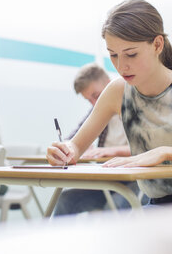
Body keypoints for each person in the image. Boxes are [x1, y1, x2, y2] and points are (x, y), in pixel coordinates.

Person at [47, 0, 172, 206]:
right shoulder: (117, 91)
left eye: (131, 54)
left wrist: (163, 152)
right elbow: (76, 146)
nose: (121, 66)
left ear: (157, 45)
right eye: (113, 55)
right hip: (157, 202)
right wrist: (65, 151)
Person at [54, 63, 140, 215]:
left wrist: (107, 151)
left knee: (114, 208)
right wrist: (66, 148)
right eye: (89, 100)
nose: (95, 104)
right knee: (66, 200)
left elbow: (147, 149)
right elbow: (73, 138)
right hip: (108, 178)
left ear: (109, 85)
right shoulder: (98, 109)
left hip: (137, 179)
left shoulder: (139, 105)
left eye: (96, 96)